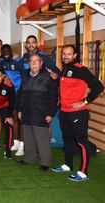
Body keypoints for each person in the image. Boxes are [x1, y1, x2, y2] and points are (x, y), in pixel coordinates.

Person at [51, 45, 104, 181]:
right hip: (64, 111)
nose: (66, 56)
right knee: (67, 139)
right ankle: (68, 165)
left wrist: (85, 102)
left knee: (81, 141)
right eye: (64, 54)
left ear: (75, 55)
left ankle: (83, 172)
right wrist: (57, 78)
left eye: (69, 54)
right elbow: (68, 86)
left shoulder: (81, 69)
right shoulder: (65, 69)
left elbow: (99, 86)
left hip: (78, 113)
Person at [17, 53, 58, 171]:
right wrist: (20, 109)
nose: (33, 63)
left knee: (42, 139)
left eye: (36, 61)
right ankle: (28, 159)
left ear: (41, 64)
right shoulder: (25, 75)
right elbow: (21, 93)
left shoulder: (48, 77)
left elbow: (54, 96)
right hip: (26, 111)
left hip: (41, 113)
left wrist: (51, 113)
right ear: (28, 63)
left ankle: (45, 162)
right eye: (31, 61)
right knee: (28, 137)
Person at [0, 44, 23, 154]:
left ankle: (22, 145)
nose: (6, 53)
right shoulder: (2, 62)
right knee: (14, 117)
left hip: (20, 93)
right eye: (4, 51)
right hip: (10, 94)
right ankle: (16, 142)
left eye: (8, 51)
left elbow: (24, 75)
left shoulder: (17, 61)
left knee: (21, 118)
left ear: (11, 51)